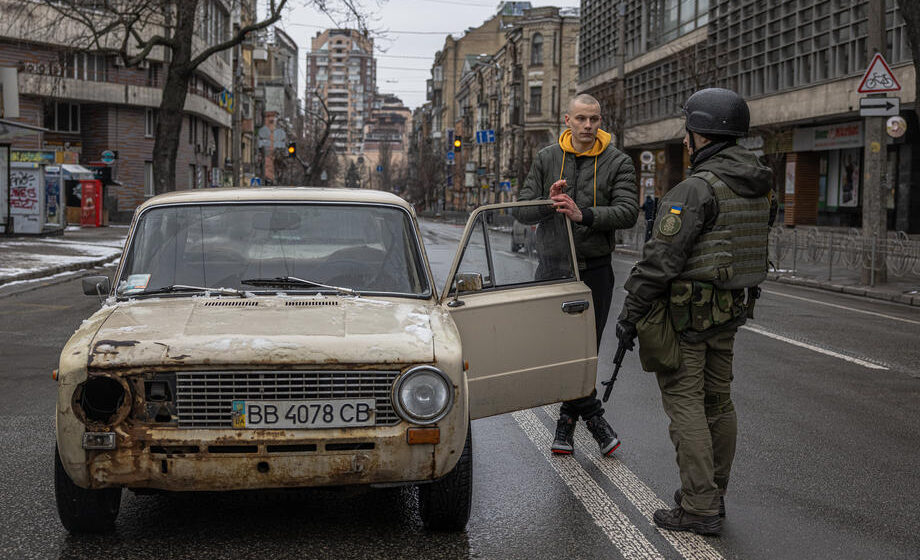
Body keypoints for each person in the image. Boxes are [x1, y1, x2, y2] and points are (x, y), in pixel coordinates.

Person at [616, 88, 774, 536]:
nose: (685, 141)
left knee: (686, 405)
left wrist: (630, 313)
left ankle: (700, 506)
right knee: (719, 403)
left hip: (687, 319)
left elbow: (659, 261)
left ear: (701, 134)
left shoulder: (697, 188)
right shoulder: (757, 184)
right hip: (729, 312)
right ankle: (712, 493)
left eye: (688, 132)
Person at [518, 93, 639, 457]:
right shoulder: (546, 158)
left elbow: (629, 211)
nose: (589, 126)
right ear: (566, 120)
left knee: (585, 352)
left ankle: (566, 424)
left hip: (595, 271)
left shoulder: (618, 161)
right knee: (557, 352)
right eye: (582, 119)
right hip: (553, 271)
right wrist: (547, 200)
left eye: (595, 119)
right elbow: (523, 211)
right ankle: (594, 419)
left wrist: (583, 214)